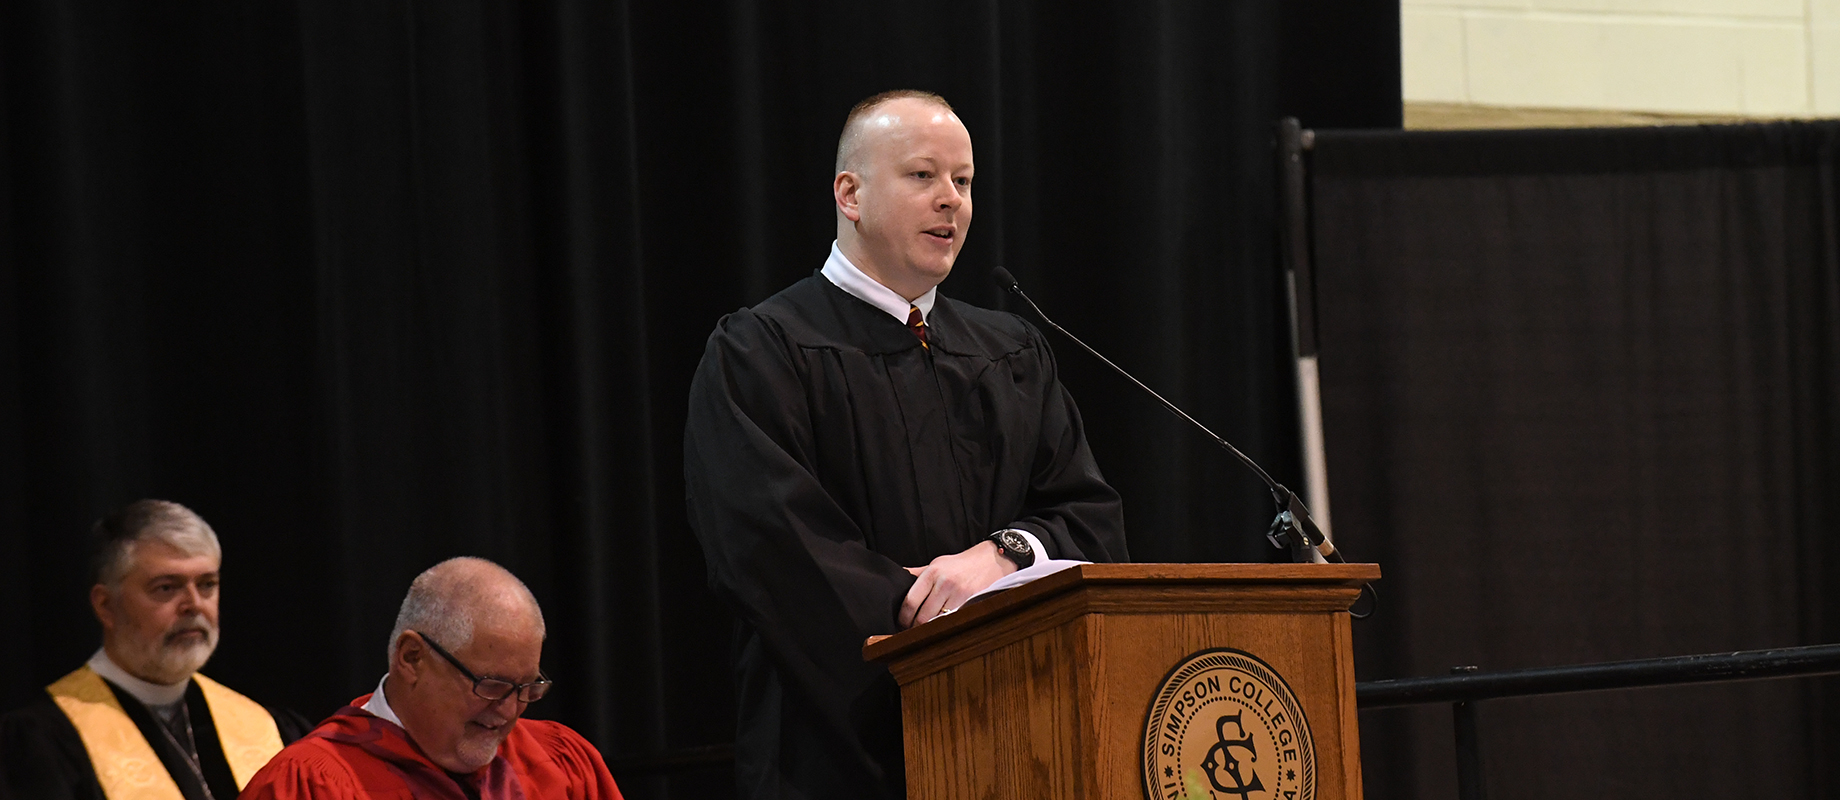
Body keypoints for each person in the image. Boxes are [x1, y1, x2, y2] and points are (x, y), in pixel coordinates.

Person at [684, 89, 1129, 799]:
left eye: (964, 180)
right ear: (850, 193)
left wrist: (997, 559)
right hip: (835, 753)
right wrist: (942, 623)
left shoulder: (1009, 350)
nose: (951, 199)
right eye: (923, 175)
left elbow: (1090, 522)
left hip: (1021, 745)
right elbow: (774, 552)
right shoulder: (763, 352)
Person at [0, 499, 313, 800]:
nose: (194, 605)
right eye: (167, 587)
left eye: (206, 584)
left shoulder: (269, 728)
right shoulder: (44, 743)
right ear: (106, 606)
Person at [238, 557, 623, 800]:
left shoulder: (560, 766)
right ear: (412, 658)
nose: (509, 711)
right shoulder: (310, 787)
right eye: (492, 685)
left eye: (526, 689)